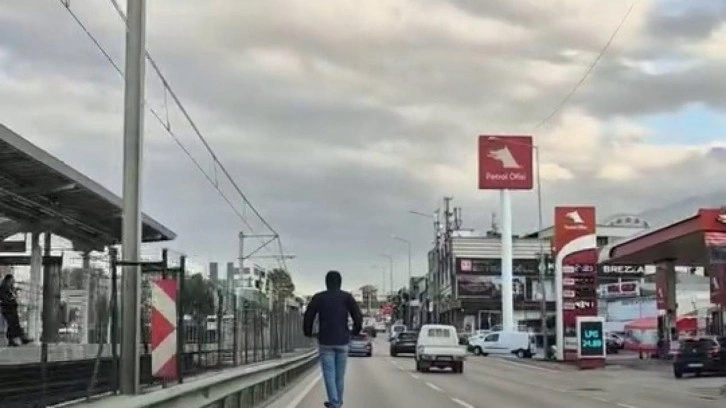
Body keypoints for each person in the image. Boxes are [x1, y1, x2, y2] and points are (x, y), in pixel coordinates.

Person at [303, 271, 362, 408]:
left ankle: (334, 402)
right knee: (339, 376)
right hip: (343, 340)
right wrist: (354, 332)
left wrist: (308, 332)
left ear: (326, 283)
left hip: (325, 341)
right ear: (340, 283)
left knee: (329, 374)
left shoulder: (319, 297)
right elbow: (358, 316)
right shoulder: (347, 297)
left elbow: (308, 316)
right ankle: (337, 401)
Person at [0, 274, 31, 346]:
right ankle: (20, 338)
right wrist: (11, 299)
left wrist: (15, 292)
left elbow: (12, 296)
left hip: (11, 308)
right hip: (8, 308)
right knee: (13, 324)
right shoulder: (4, 287)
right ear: (8, 280)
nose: (13, 282)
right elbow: (5, 298)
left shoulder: (9, 287)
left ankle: (13, 340)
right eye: (12, 280)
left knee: (13, 324)